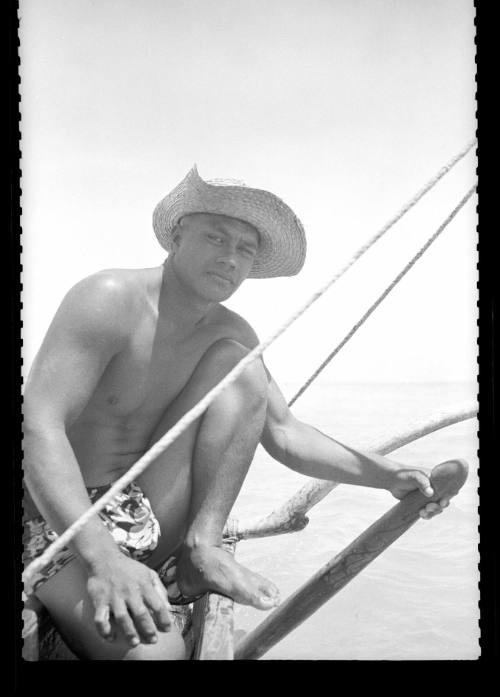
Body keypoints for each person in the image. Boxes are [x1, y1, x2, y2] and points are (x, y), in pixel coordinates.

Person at [23, 165, 452, 661]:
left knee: (240, 365)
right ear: (178, 235)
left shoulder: (234, 334)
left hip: (150, 514)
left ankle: (201, 550)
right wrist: (101, 558)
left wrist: (390, 475)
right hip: (65, 523)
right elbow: (38, 425)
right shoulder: (109, 298)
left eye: (244, 250)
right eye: (216, 238)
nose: (230, 259)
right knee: (157, 657)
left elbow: (286, 434)